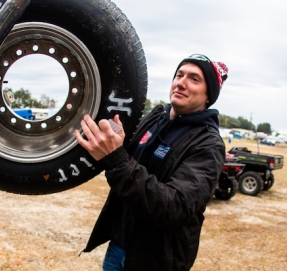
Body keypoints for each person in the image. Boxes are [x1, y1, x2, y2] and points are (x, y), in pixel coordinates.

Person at [75, 54, 229, 271]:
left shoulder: (208, 144)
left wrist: (117, 160)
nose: (181, 83)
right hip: (119, 244)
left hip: (157, 260)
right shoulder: (156, 118)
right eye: (179, 74)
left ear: (208, 96)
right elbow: (122, 154)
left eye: (194, 79)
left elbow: (175, 207)